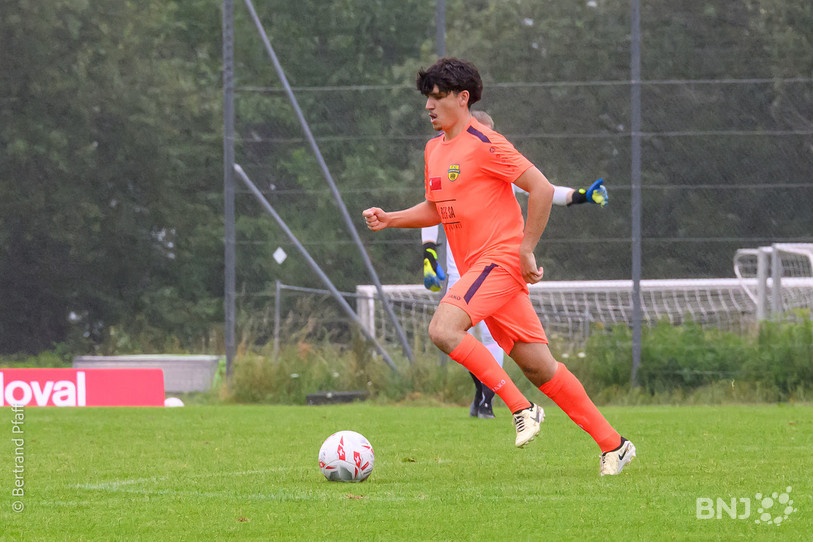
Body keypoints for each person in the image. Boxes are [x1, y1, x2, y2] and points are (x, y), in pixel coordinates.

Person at [363, 58, 635, 475]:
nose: (428, 107)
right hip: (480, 270)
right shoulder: (433, 150)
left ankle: (521, 408)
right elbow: (437, 208)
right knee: (539, 366)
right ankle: (614, 445)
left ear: (462, 98)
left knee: (443, 329)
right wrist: (392, 218)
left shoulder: (484, 141)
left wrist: (527, 249)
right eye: (427, 99)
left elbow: (541, 187)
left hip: (500, 260)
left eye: (437, 97)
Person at [422, 110, 609, 420]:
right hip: (462, 265)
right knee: (457, 332)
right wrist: (429, 256)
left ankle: (492, 399)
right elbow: (433, 209)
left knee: (492, 340)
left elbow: (544, 188)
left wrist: (581, 196)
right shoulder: (449, 159)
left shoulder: (494, 160)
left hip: (496, 265)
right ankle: (503, 400)